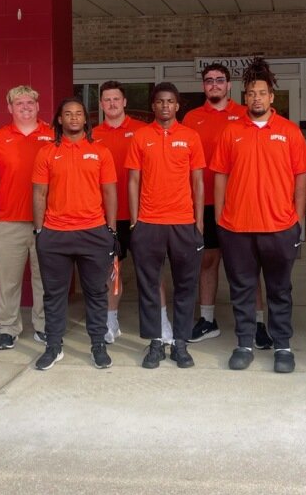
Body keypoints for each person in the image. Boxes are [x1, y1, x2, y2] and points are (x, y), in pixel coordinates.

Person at [212, 57, 306, 374]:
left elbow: (301, 178)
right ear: (244, 98)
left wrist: (298, 220)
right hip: (237, 227)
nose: (256, 98)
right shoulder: (231, 131)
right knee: (241, 289)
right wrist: (220, 219)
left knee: (279, 290)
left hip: (279, 226)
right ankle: (244, 344)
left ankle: (282, 346)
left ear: (271, 96)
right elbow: (220, 176)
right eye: (251, 93)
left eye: (261, 93)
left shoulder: (289, 132)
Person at [183, 64, 274, 349]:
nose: (214, 84)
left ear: (229, 85)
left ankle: (257, 323)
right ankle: (207, 320)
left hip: (241, 202)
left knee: (248, 266)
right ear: (203, 86)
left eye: (220, 80)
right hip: (204, 202)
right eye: (209, 80)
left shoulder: (246, 114)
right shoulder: (191, 118)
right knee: (207, 262)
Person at [32, 97, 118, 371]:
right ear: (59, 119)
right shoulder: (47, 152)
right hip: (55, 234)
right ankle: (53, 346)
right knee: (54, 294)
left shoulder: (100, 151)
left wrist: (111, 230)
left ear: (85, 119)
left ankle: (98, 345)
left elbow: (109, 192)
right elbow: (39, 193)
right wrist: (39, 231)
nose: (73, 118)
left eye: (78, 113)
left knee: (96, 292)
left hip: (93, 233)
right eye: (68, 114)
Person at [126, 83, 205, 370]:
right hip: (149, 223)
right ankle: (156, 342)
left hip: (183, 223)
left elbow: (198, 181)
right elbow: (133, 180)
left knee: (185, 285)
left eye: (170, 101)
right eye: (160, 101)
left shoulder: (191, 137)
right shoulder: (140, 136)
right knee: (149, 285)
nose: (165, 106)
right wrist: (134, 221)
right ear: (153, 105)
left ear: (177, 105)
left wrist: (198, 223)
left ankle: (180, 343)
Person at [0, 86, 53, 349]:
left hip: (47, 220)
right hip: (8, 220)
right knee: (8, 280)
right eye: (19, 103)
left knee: (45, 279)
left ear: (38, 106)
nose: (25, 107)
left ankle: (44, 326)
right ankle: (7, 327)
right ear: (9, 108)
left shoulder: (53, 135)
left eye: (30, 102)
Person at [91, 80, 148, 343]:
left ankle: (155, 321)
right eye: (107, 99)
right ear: (101, 104)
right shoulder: (92, 135)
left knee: (149, 271)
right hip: (105, 215)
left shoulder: (142, 131)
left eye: (116, 99)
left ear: (124, 102)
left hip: (141, 213)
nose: (112, 103)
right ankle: (110, 320)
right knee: (111, 271)